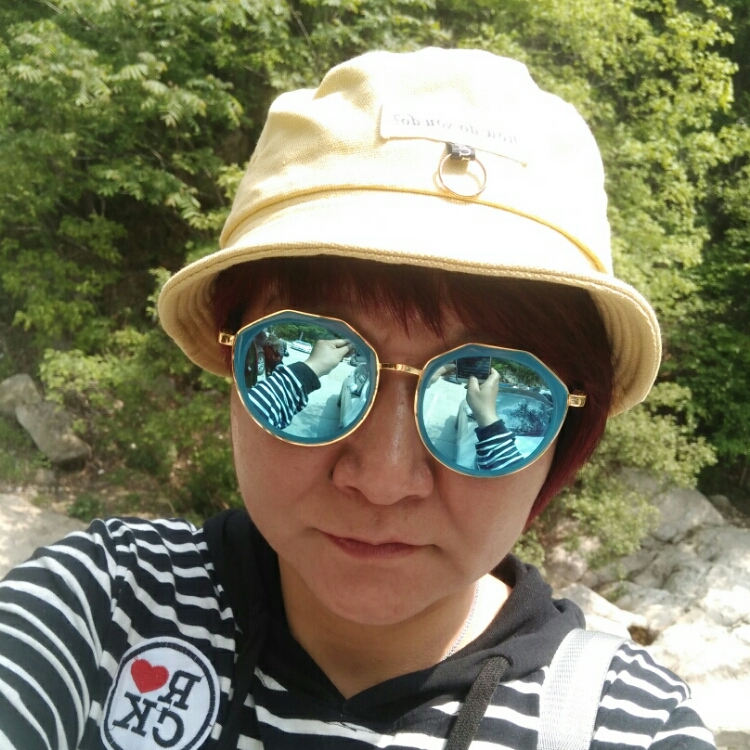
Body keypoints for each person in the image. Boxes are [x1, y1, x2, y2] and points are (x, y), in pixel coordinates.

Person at [0, 48, 714, 750]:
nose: (384, 478)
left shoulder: (626, 723)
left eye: (489, 387)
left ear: (567, 434)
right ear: (232, 357)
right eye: (312, 354)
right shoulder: (100, 609)